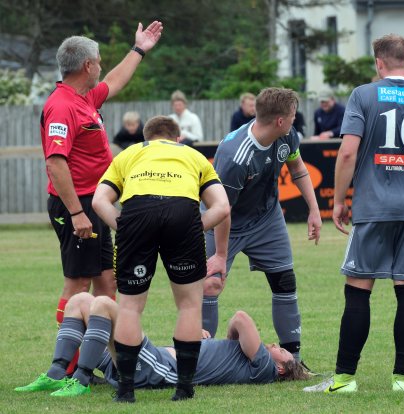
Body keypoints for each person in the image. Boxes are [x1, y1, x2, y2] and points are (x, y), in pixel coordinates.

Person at [304, 34, 404, 394]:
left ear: (379, 63)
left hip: (373, 208)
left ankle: (344, 380)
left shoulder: (363, 95)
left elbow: (347, 153)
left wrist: (339, 200)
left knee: (359, 290)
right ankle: (402, 380)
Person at [40, 20, 163, 375]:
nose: (101, 66)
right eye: (98, 61)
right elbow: (55, 162)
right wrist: (77, 213)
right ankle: (67, 368)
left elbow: (115, 81)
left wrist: (139, 49)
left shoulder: (83, 97)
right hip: (77, 206)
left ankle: (101, 361)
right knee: (78, 284)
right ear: (87, 66)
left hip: (94, 205)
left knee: (106, 284)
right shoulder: (62, 106)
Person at [91, 115, 230, 402]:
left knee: (130, 307)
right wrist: (194, 228)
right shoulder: (193, 155)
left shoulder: (131, 153)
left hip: (137, 212)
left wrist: (123, 227)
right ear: (177, 138)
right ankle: (184, 388)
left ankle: (126, 391)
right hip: (183, 213)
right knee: (189, 305)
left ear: (146, 138)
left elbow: (99, 200)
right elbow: (222, 206)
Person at [202, 87, 322, 364]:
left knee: (285, 282)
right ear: (280, 120)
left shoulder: (287, 135)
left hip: (266, 218)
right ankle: (200, 359)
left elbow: (298, 168)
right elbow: (222, 209)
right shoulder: (236, 155)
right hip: (223, 220)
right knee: (210, 283)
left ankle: (293, 361)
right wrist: (220, 255)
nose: (295, 119)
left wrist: (314, 210)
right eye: (292, 115)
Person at [14, 293, 310, 397]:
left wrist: (231, 339)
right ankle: (56, 374)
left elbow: (241, 318)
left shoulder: (264, 370)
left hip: (158, 369)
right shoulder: (249, 360)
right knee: (80, 301)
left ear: (281, 369)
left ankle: (80, 381)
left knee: (103, 303)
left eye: (281, 350)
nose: (274, 343)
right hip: (149, 360)